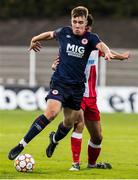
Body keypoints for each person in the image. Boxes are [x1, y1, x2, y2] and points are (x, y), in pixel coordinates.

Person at [8, 6, 114, 161]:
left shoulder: (91, 38)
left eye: (80, 22)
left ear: (86, 23)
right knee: (51, 112)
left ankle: (54, 140)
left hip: (77, 88)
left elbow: (101, 46)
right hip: (60, 83)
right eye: (75, 22)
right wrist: (34, 38)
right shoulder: (64, 32)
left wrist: (108, 51)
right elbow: (49, 34)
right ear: (71, 21)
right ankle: (21, 144)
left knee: (69, 122)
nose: (77, 25)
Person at [51, 14, 130, 171]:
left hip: (91, 97)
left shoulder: (94, 44)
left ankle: (92, 164)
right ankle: (75, 164)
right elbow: (58, 61)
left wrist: (121, 57)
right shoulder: (72, 45)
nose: (81, 29)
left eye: (86, 27)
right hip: (76, 92)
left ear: (89, 28)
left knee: (97, 136)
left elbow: (108, 51)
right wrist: (54, 65)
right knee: (77, 124)